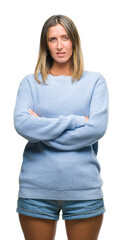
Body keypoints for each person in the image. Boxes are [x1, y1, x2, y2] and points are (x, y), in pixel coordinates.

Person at [14, 15, 109, 240]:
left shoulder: (95, 82)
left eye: (65, 38)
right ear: (45, 45)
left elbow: (96, 128)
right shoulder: (30, 83)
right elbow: (22, 124)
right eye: (52, 39)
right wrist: (76, 121)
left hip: (84, 190)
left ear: (74, 41)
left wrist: (41, 130)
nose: (59, 45)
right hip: (36, 190)